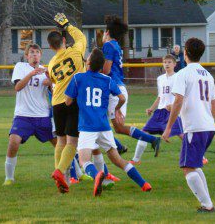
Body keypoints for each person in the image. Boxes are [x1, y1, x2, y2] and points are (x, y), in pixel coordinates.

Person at [65, 48, 152, 196]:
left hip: (87, 127)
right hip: (104, 126)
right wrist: (116, 109)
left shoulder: (78, 78)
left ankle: (97, 175)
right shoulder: (107, 80)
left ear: (89, 62)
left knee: (84, 160)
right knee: (118, 160)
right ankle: (144, 183)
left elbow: (67, 102)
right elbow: (122, 98)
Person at [162, 38, 215, 213]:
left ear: (185, 53)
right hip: (209, 127)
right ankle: (206, 202)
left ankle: (207, 205)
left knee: (187, 167)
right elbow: (214, 105)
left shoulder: (183, 74)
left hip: (195, 127)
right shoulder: (207, 75)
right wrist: (205, 117)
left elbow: (178, 100)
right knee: (194, 165)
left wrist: (169, 128)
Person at [101, 16, 161, 154]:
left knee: (106, 124)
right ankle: (142, 142)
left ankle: (150, 140)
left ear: (108, 32)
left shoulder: (108, 45)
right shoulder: (116, 45)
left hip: (114, 91)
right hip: (119, 88)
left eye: (105, 30)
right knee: (113, 126)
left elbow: (106, 70)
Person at [3, 44, 56, 185]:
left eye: (37, 52)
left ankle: (77, 173)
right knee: (13, 142)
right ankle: (9, 178)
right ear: (27, 56)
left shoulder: (47, 70)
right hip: (23, 115)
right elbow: (18, 87)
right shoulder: (21, 67)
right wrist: (32, 74)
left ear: (40, 55)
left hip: (42, 115)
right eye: (31, 52)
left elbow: (55, 91)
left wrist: (50, 83)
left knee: (60, 144)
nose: (34, 55)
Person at [47, 13, 86, 193]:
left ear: (50, 46)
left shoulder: (51, 63)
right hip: (73, 101)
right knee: (72, 142)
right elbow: (81, 37)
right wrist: (67, 24)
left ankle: (60, 178)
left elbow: (54, 80)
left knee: (60, 140)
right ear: (64, 40)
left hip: (56, 102)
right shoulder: (76, 51)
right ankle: (60, 171)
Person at [130, 55, 183, 164]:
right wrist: (151, 108)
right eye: (165, 62)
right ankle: (136, 159)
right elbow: (160, 97)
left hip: (171, 112)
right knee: (144, 132)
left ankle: (200, 156)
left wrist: (173, 105)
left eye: (169, 62)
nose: (167, 64)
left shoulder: (178, 77)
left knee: (182, 135)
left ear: (174, 64)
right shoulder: (160, 79)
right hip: (159, 112)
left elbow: (181, 96)